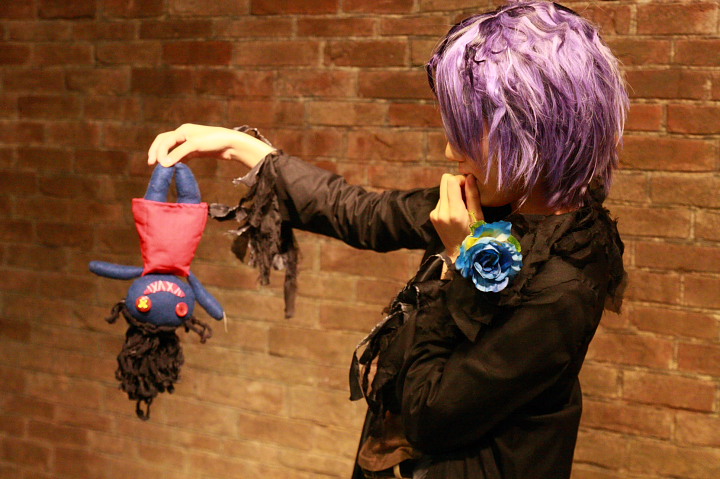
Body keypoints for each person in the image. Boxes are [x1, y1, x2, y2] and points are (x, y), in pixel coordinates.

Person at [147, 1, 628, 478]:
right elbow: (365, 214)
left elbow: (428, 414)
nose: (450, 149)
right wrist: (245, 149)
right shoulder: (494, 201)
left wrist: (461, 258)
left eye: (470, 130)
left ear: (535, 132)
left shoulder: (566, 283)